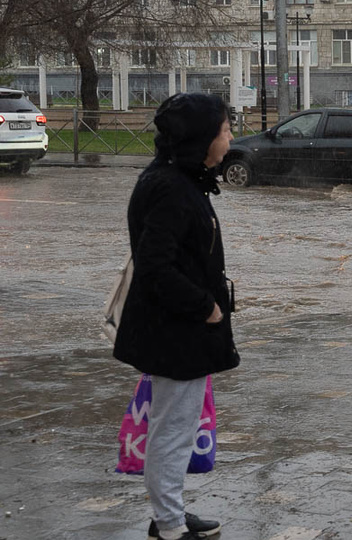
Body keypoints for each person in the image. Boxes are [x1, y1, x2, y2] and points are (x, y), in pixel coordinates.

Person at [113, 93, 239, 540]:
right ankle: (168, 524)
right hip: (177, 332)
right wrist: (205, 307)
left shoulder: (178, 179)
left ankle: (171, 511)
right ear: (202, 138)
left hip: (178, 330)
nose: (230, 139)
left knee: (178, 427)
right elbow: (155, 267)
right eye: (225, 130)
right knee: (172, 431)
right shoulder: (171, 187)